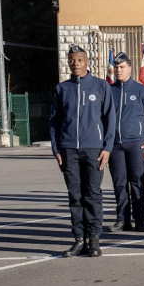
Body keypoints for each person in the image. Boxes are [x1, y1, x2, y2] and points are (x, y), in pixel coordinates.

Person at [49, 44, 115, 258]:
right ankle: (79, 239)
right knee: (75, 196)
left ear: (87, 62)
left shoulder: (100, 86)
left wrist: (107, 147)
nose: (75, 63)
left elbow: (109, 119)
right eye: (72, 60)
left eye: (79, 60)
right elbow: (54, 121)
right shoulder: (62, 89)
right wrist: (56, 148)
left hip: (94, 149)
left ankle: (94, 239)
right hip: (68, 149)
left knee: (93, 194)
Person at [106, 53, 144, 233]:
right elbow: (102, 118)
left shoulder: (141, 90)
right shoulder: (109, 91)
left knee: (137, 182)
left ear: (129, 68)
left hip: (137, 143)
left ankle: (141, 220)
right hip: (115, 145)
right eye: (116, 67)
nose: (118, 70)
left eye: (122, 67)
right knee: (119, 183)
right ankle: (122, 219)